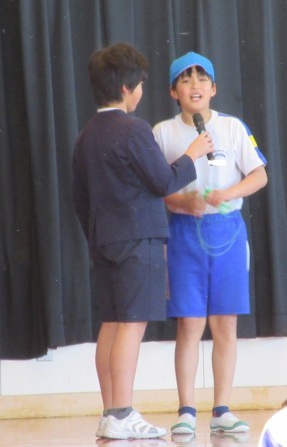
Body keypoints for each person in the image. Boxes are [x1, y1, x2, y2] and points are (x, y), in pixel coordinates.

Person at [72, 43, 213, 440]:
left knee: (112, 323)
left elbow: (79, 197)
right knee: (131, 327)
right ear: (126, 88)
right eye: (140, 85)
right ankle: (122, 412)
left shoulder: (86, 135)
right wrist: (193, 154)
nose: (141, 92)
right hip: (138, 241)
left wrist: (98, 235)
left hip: (104, 240)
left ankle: (110, 413)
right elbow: (163, 181)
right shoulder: (133, 129)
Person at [152, 52, 268, 435]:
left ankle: (222, 410)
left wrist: (227, 193)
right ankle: (186, 410)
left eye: (202, 79)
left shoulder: (232, 128)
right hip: (184, 232)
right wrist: (184, 201)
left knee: (225, 323)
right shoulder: (162, 133)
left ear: (214, 88)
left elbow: (259, 176)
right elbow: (156, 188)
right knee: (189, 324)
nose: (195, 86)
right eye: (186, 80)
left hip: (228, 232)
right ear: (174, 92)